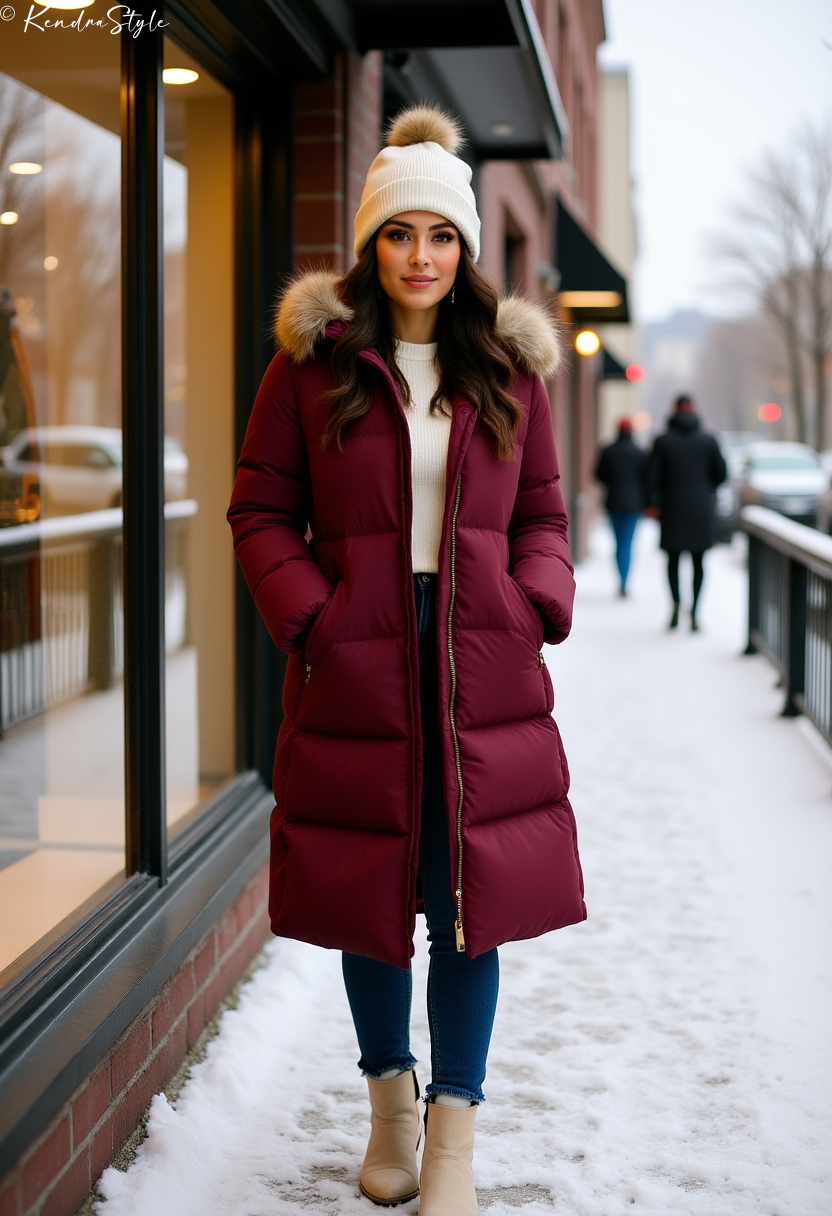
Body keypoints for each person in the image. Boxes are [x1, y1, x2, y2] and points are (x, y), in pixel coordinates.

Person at [227, 105, 585, 1216]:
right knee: (369, 887)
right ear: (370, 243)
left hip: (482, 661)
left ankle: (452, 1138)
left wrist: (538, 600)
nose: (420, 257)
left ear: (465, 248)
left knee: (464, 901)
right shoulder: (312, 367)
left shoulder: (509, 371)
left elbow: (544, 513)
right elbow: (259, 511)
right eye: (399, 233)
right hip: (358, 658)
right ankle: (389, 1099)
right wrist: (314, 620)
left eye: (440, 235)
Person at [648, 394, 727, 631]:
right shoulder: (709, 440)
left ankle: (675, 606)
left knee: (672, 560)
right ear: (694, 410)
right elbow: (721, 474)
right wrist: (705, 490)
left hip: (672, 509)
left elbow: (652, 477)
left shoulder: (663, 441)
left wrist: (655, 501)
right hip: (701, 509)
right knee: (699, 561)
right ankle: (694, 612)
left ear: (674, 411)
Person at [594, 417, 648, 596]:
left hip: (614, 502)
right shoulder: (639, 452)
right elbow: (647, 479)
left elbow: (599, 475)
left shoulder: (609, 451)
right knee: (628, 543)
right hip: (634, 504)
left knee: (619, 543)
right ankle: (625, 581)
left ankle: (621, 580)